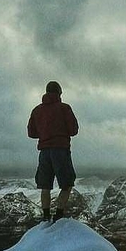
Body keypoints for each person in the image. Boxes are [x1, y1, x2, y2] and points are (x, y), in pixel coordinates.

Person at [27, 81, 79, 222]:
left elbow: (31, 133)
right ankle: (59, 215)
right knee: (67, 184)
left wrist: (44, 133)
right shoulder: (64, 108)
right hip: (61, 150)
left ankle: (45, 216)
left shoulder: (37, 110)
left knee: (45, 185)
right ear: (59, 93)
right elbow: (73, 130)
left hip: (44, 152)